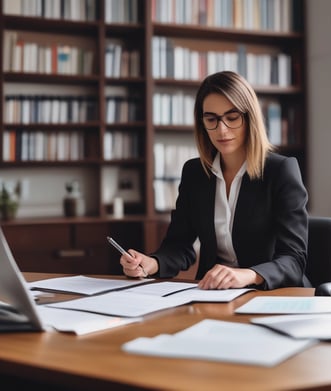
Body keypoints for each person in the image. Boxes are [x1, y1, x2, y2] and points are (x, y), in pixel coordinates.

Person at [120, 70, 310, 290]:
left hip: (272, 294)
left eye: (232, 117)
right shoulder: (194, 173)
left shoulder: (280, 171)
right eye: (211, 119)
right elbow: (179, 245)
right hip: (214, 294)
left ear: (249, 118)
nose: (222, 129)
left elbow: (294, 259)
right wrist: (150, 263)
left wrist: (248, 275)